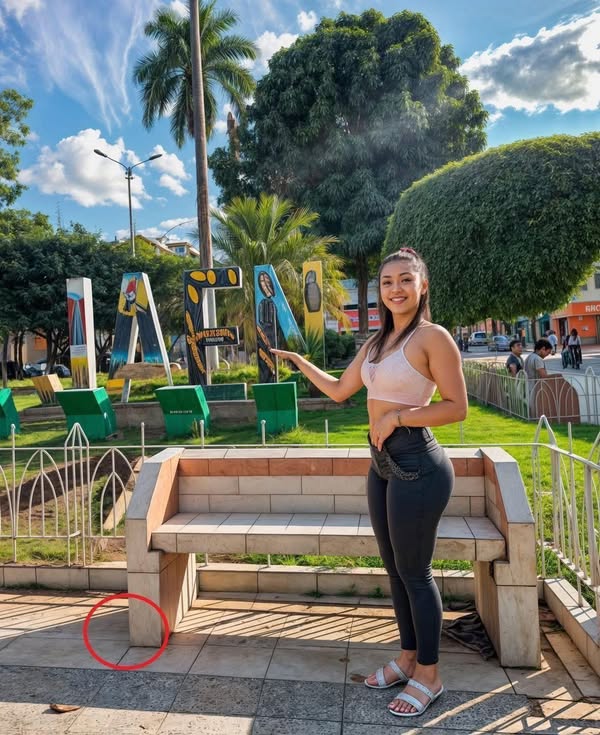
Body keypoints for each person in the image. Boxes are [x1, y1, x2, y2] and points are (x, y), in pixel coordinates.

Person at [271, 248, 467, 718]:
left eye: (405, 279)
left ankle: (430, 675)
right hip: (382, 464)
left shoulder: (432, 337)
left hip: (418, 464)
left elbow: (456, 407)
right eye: (387, 281)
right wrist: (299, 360)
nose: (396, 288)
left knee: (415, 573)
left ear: (422, 286)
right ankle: (408, 658)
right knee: (396, 570)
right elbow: (342, 390)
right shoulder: (378, 342)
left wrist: (398, 416)